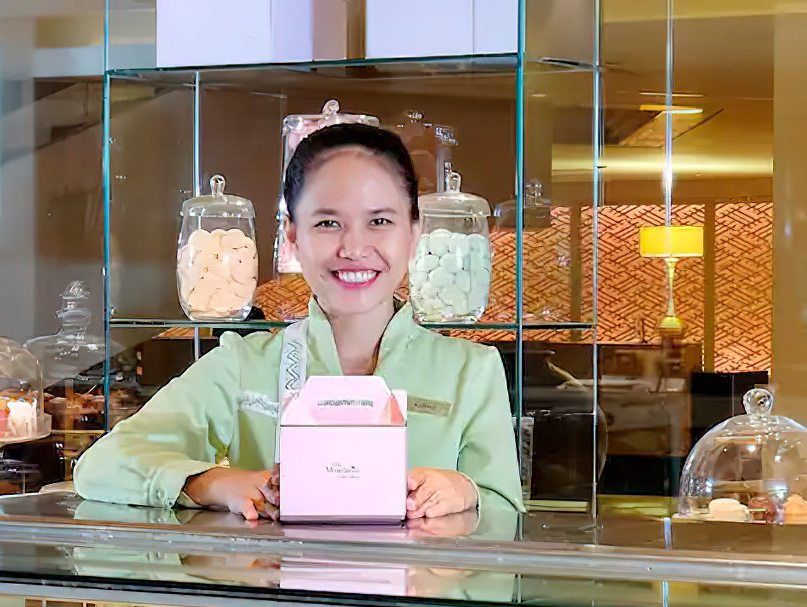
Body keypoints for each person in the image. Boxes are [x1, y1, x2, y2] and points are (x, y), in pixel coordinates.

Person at [73, 123, 524, 521]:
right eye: (328, 223)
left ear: (414, 232)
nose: (354, 247)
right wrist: (212, 484)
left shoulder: (471, 372)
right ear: (292, 236)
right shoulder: (242, 366)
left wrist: (466, 492)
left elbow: (508, 518)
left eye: (380, 221)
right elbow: (102, 465)